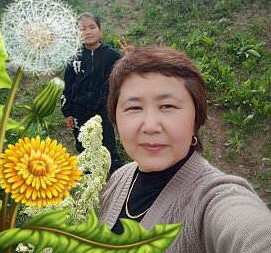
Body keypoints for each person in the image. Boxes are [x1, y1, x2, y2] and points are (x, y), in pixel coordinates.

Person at [99, 45, 271, 252]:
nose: (151, 126)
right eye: (134, 108)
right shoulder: (119, 178)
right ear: (115, 118)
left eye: (168, 106)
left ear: (196, 120)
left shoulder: (213, 199)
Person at [61, 12, 133, 174]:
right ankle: (89, 172)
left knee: (107, 143)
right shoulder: (74, 57)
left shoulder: (111, 55)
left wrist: (129, 58)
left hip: (103, 110)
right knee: (83, 143)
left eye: (92, 27)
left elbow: (127, 76)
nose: (87, 32)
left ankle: (116, 173)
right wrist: (67, 113)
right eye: (82, 29)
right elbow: (67, 86)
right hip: (79, 111)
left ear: (100, 31)